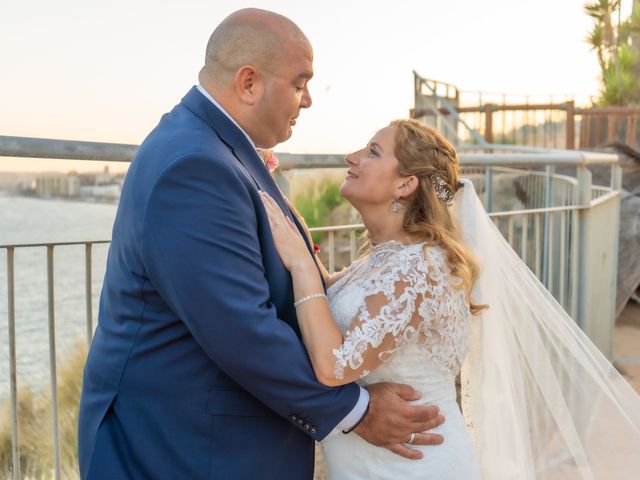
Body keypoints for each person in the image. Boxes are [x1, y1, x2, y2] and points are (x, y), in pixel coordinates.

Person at [77, 9, 445, 480]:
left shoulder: (212, 148)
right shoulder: (195, 167)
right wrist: (356, 410)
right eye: (299, 83)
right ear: (249, 83)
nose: (308, 100)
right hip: (181, 447)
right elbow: (241, 329)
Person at [261, 119, 640, 479]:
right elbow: (328, 297)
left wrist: (300, 264)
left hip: (412, 468)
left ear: (406, 185)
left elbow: (334, 366)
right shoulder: (386, 260)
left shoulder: (419, 269)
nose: (352, 156)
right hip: (375, 462)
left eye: (373, 151)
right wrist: (267, 184)